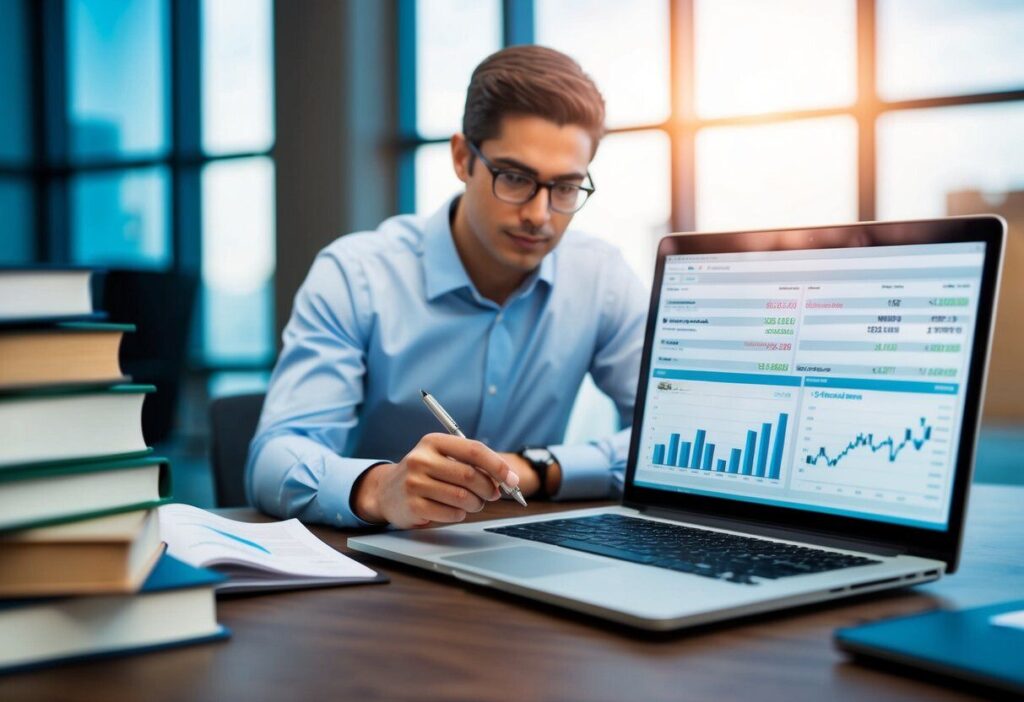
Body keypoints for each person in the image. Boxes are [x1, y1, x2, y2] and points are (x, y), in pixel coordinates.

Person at [247, 45, 647, 529]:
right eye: (515, 178)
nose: (540, 215)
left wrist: (539, 467)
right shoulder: (356, 276)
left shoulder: (599, 277)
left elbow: (671, 440)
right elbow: (274, 457)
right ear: (463, 158)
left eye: (565, 188)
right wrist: (379, 488)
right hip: (384, 566)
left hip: (526, 551)